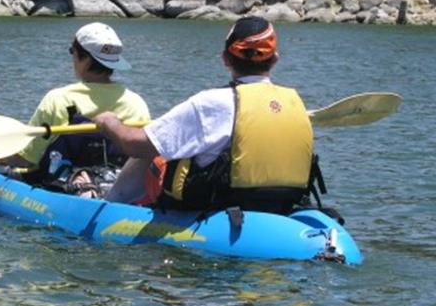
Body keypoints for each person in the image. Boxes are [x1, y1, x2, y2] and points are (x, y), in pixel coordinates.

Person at [94, 16, 314, 215]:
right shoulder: (294, 102)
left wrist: (110, 123)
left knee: (157, 151)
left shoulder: (211, 103)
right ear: (275, 59)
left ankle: (110, 205)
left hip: (221, 206)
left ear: (225, 60)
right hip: (283, 204)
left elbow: (136, 145)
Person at [3, 23, 150, 192]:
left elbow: (27, 160)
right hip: (112, 187)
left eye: (72, 52)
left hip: (57, 189)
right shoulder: (136, 103)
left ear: (85, 58)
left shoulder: (58, 99)